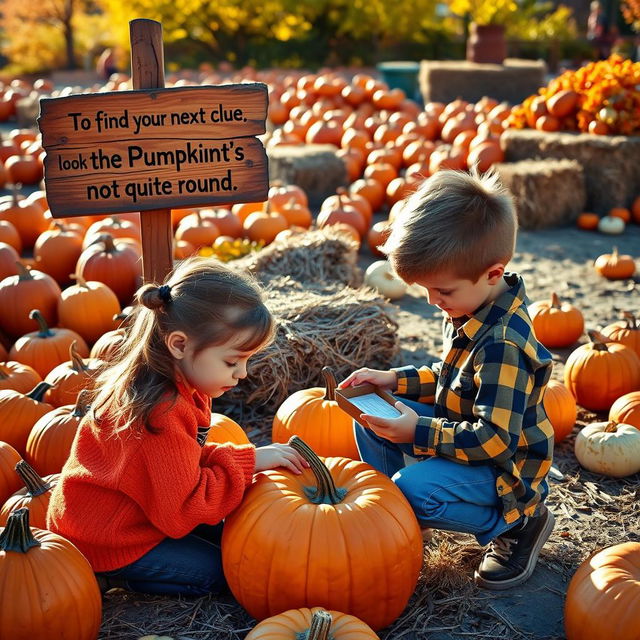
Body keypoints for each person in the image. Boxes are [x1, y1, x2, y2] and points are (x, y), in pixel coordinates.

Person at [338, 170, 555, 591]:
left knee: (414, 490)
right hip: (463, 437)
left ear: (493, 273)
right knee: (370, 415)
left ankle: (517, 526)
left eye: (443, 291)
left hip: (504, 471)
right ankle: (401, 520)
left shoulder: (503, 345)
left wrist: (417, 430)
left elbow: (493, 439)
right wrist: (391, 381)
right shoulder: (468, 305)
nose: (433, 301)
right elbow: (448, 378)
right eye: (426, 289)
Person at [47, 257, 308, 596]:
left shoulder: (179, 386)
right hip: (107, 539)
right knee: (228, 572)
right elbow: (182, 510)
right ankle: (113, 577)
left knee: (238, 534)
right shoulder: (160, 411)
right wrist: (249, 462)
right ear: (180, 345)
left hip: (146, 513)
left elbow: (180, 461)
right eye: (232, 361)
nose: (242, 374)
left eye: (246, 360)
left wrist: (245, 459)